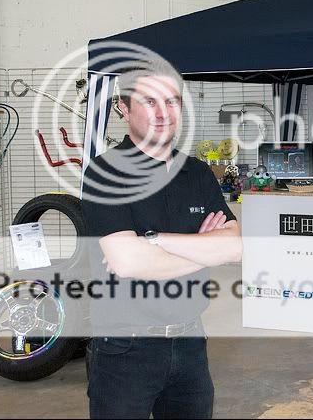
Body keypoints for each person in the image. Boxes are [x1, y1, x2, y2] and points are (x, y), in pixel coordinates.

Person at [81, 59, 242, 419]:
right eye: (150, 101)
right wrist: (205, 250)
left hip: (190, 344)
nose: (164, 112)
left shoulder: (197, 172)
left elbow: (234, 247)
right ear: (123, 108)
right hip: (125, 349)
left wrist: (152, 242)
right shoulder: (105, 174)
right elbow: (128, 262)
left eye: (172, 101)